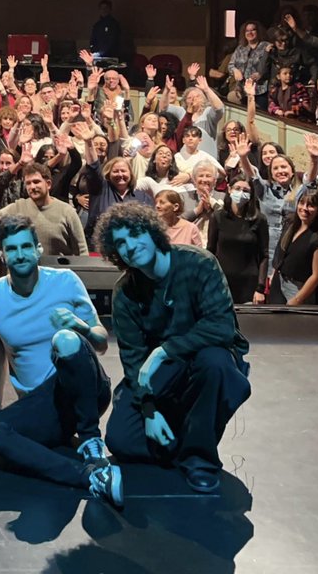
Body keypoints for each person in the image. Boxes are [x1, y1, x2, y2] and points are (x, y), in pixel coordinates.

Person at [0, 216, 123, 508]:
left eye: (27, 246)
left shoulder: (65, 282)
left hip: (84, 392)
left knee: (65, 339)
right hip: (43, 407)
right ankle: (89, 478)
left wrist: (83, 326)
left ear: (38, 249)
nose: (21, 254)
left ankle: (91, 441)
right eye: (12, 249)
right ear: (2, 254)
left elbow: (100, 343)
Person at [96, 202, 251, 494]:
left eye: (135, 234)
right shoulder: (125, 292)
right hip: (165, 372)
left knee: (214, 363)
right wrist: (150, 410)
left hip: (207, 357)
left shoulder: (199, 263)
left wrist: (165, 350)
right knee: (120, 441)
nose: (130, 246)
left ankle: (199, 459)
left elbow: (221, 327)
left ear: (153, 231)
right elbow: (132, 359)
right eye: (121, 243)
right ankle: (187, 432)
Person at [1, 162, 88, 257]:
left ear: (48, 184)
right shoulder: (18, 207)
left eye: (36, 182)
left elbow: (82, 250)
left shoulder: (66, 211)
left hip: (58, 270)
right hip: (27, 270)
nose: (32, 187)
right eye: (28, 183)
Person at [206, 178, 269, 304]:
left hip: (249, 283)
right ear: (229, 189)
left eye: (246, 190)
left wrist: (260, 288)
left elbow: (264, 256)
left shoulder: (259, 219)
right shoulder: (217, 217)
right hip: (222, 282)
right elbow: (210, 251)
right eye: (238, 189)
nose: (241, 193)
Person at [268, 191, 318, 305]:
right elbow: (281, 252)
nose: (304, 208)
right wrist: (274, 273)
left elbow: (317, 275)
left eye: (310, 205)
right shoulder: (291, 225)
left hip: (297, 288)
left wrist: (297, 299)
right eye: (302, 203)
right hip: (278, 282)